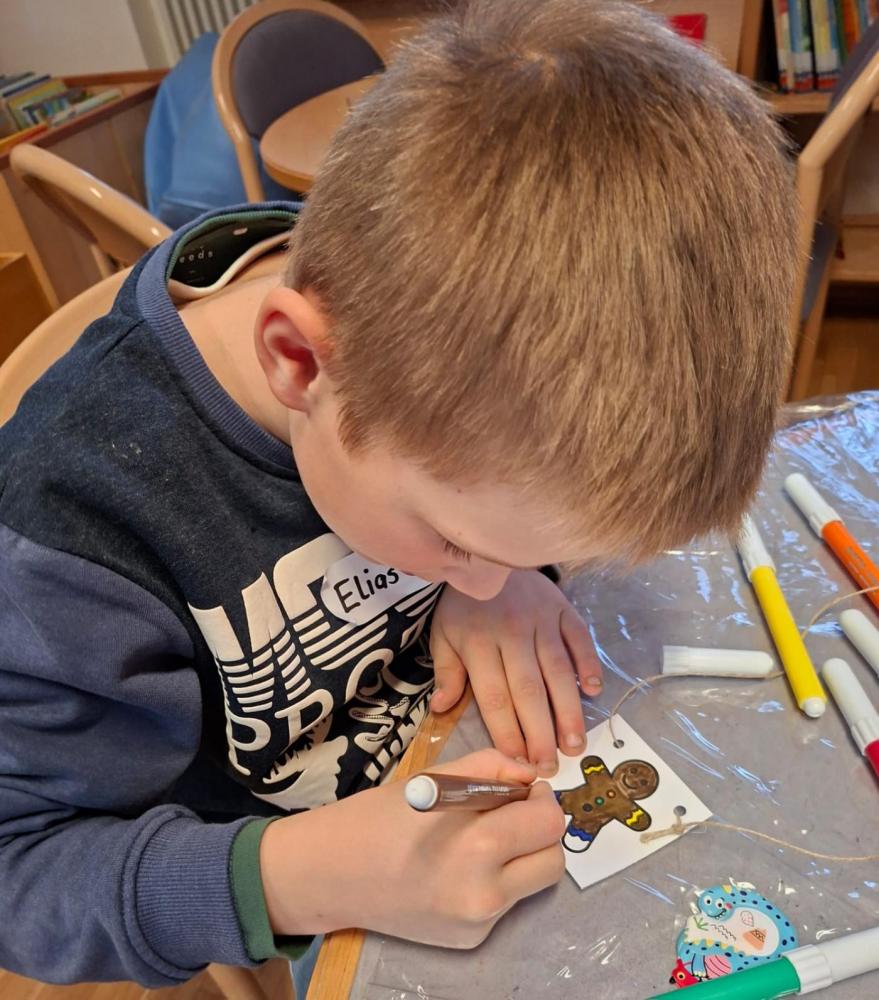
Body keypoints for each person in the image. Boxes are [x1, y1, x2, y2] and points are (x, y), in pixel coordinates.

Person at [0, 0, 797, 989]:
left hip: (454, 773)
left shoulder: (418, 348)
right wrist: (292, 879)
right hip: (304, 886)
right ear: (298, 361)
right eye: (458, 541)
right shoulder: (69, 528)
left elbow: (501, 506)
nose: (490, 573)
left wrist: (503, 577)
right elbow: (20, 872)